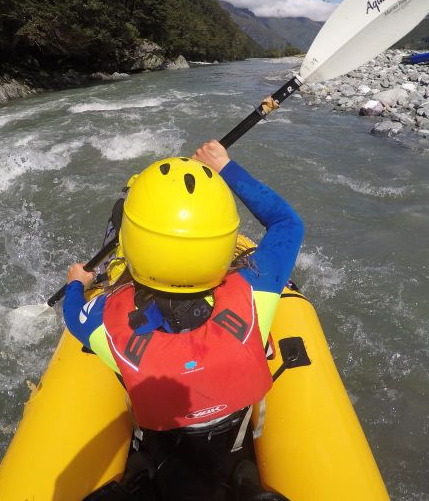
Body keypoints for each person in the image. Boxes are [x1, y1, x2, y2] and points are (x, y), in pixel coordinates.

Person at [63, 140, 303, 501]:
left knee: (146, 466)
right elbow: (287, 223)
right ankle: (245, 481)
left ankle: (143, 476)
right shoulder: (257, 286)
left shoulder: (102, 320)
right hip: (231, 437)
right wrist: (225, 167)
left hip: (165, 444)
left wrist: (75, 286)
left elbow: (73, 314)